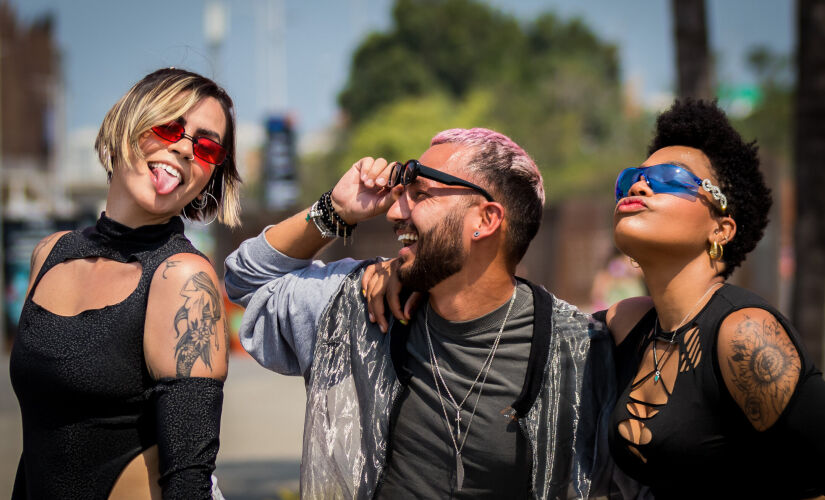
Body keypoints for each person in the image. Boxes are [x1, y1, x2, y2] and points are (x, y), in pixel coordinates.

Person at [224, 128, 618, 499]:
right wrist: (336, 211)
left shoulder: (577, 352)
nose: (395, 212)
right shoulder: (363, 310)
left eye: (420, 194)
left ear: (486, 219)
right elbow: (246, 280)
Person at [10, 68, 241, 499]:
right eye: (169, 125)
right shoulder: (50, 253)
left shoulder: (182, 278)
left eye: (208, 146)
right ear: (126, 124)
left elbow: (189, 482)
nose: (184, 148)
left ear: (212, 174)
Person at [603, 99, 825, 498]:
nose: (638, 185)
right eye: (631, 178)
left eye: (670, 177)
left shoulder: (744, 332)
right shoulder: (629, 323)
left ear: (721, 229)